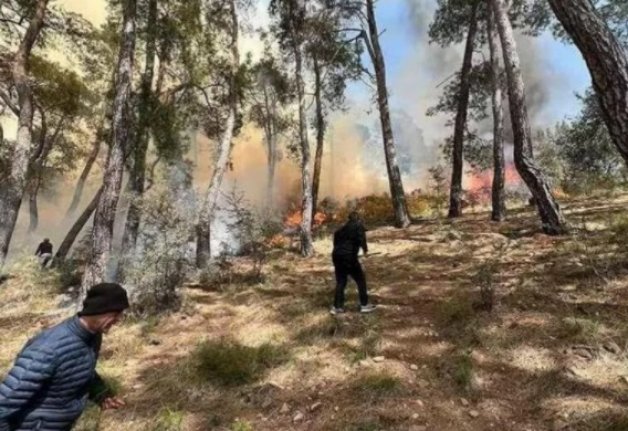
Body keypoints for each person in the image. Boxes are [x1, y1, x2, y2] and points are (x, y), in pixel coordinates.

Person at [0, 283, 130, 431]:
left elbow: (78, 368)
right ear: (100, 310)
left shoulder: (93, 335)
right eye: (115, 314)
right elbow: (6, 400)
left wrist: (101, 394)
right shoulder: (47, 348)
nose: (118, 319)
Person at [330, 211, 376, 315]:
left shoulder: (340, 230)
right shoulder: (358, 226)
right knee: (360, 280)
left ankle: (337, 307)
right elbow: (362, 240)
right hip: (349, 257)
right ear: (358, 219)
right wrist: (365, 251)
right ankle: (364, 305)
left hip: (337, 256)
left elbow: (336, 245)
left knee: (341, 282)